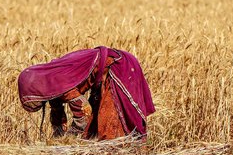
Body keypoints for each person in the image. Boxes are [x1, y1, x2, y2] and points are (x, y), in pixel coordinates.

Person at [18, 46, 155, 140]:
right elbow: (57, 114)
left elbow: (84, 112)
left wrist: (70, 138)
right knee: (97, 128)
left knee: (109, 126)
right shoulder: (51, 83)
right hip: (106, 71)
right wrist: (57, 137)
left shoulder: (60, 82)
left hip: (118, 66)